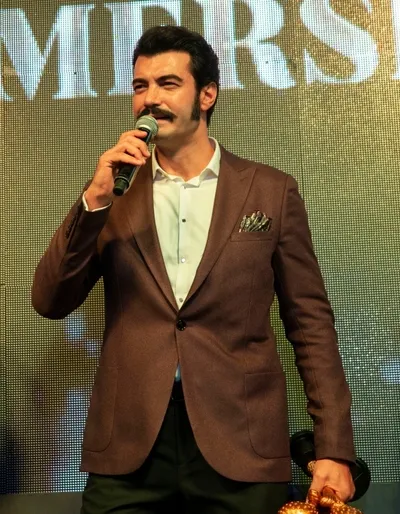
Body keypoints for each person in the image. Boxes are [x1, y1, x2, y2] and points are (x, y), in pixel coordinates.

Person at [32, 25, 356, 514]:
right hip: (130, 447)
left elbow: (310, 324)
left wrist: (333, 446)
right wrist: (94, 200)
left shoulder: (270, 190)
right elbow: (50, 300)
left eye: (168, 84)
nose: (150, 99)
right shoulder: (113, 191)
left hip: (241, 442)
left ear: (207, 95)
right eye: (140, 86)